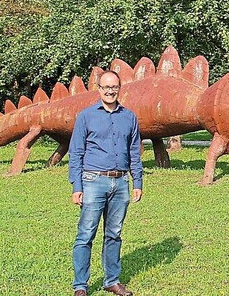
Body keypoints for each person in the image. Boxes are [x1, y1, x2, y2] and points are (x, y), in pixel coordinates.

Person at [69, 70, 143, 296]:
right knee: (86, 235)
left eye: (114, 87)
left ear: (119, 89)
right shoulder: (86, 116)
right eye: (106, 87)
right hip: (92, 181)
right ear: (99, 89)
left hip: (120, 183)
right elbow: (76, 152)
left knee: (114, 234)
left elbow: (134, 151)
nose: (110, 91)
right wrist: (77, 186)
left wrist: (137, 180)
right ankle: (80, 285)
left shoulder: (129, 116)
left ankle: (112, 280)